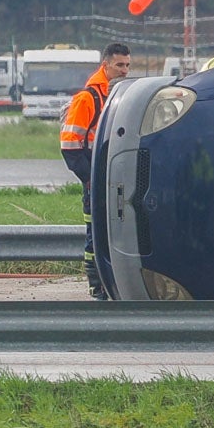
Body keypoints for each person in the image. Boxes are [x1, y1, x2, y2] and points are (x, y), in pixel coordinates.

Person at [60, 42, 131, 300]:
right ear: (106, 65)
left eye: (127, 65)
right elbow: (69, 147)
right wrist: (91, 179)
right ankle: (96, 283)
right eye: (119, 65)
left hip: (113, 179)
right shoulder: (87, 98)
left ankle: (111, 282)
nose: (125, 70)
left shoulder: (118, 95)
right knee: (96, 232)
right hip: (95, 178)